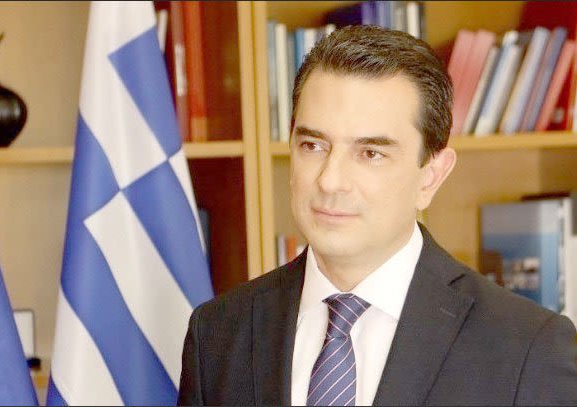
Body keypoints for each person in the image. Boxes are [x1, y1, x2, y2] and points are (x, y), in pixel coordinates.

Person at [178, 26, 577, 406]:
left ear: (431, 176)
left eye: (370, 153)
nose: (330, 180)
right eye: (313, 145)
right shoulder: (217, 333)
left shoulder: (528, 347)